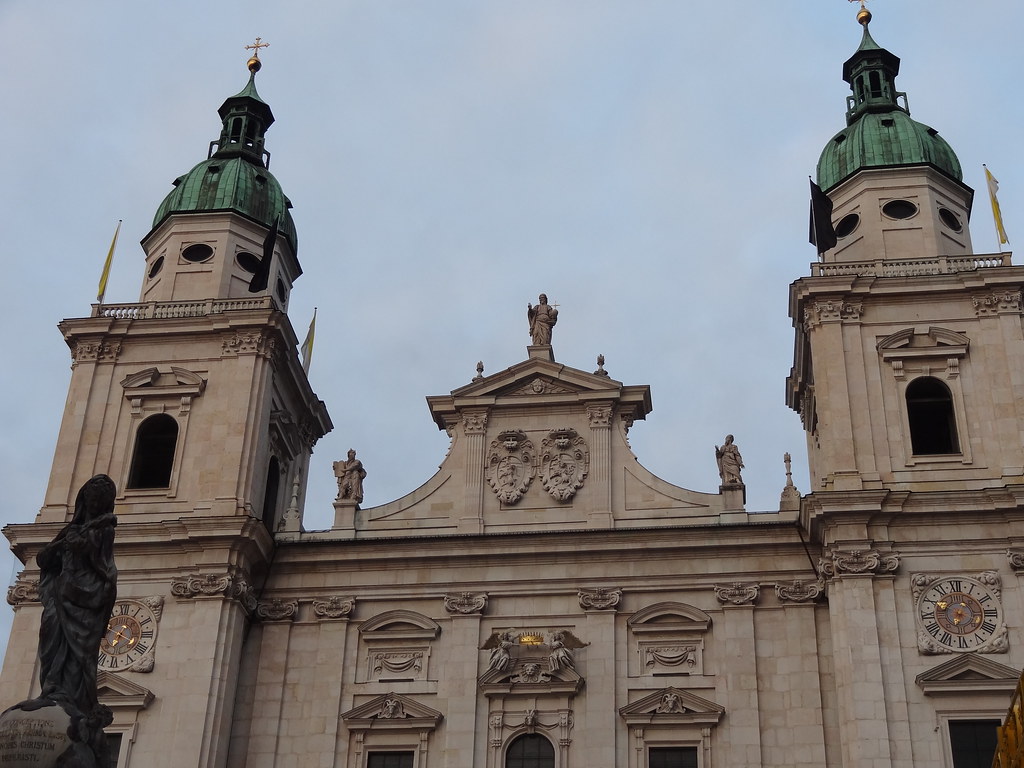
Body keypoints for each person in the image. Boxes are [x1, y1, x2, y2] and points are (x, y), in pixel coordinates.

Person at [36, 474, 118, 719]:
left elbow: (102, 563)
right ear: (84, 499)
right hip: (61, 594)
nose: (94, 504)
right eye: (91, 499)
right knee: (50, 637)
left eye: (99, 500)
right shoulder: (70, 529)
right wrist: (60, 545)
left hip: (86, 598)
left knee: (81, 652)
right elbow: (43, 559)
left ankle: (75, 698)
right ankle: (51, 687)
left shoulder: (105, 528)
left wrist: (81, 544)